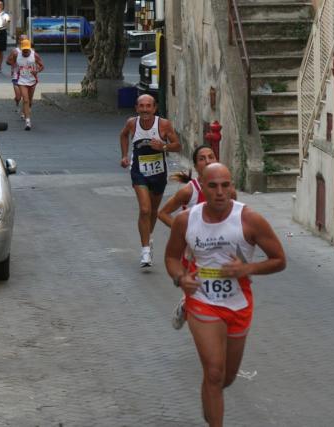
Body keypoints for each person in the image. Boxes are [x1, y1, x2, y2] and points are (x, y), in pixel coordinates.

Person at [165, 163, 286, 426]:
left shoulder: (249, 219)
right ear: (202, 187)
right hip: (202, 300)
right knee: (214, 372)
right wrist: (181, 278)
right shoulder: (187, 220)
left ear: (232, 186)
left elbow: (279, 260)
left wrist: (248, 268)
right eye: (213, 186)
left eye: (225, 185)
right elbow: (172, 257)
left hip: (238, 303)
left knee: (226, 378)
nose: (220, 192)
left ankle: (211, 402)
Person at [158, 145, 237, 329]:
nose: (208, 161)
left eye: (211, 156)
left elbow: (234, 216)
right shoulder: (189, 191)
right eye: (202, 158)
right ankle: (188, 307)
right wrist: (184, 233)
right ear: (196, 166)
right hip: (194, 252)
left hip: (220, 249)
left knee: (219, 289)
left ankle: (215, 320)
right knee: (198, 289)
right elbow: (163, 213)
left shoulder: (229, 191)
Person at [120, 94, 181, 267]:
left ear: (154, 108)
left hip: (158, 173)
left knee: (153, 210)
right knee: (145, 209)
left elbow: (178, 146)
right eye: (141, 106)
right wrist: (124, 156)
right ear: (136, 108)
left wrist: (163, 146)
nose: (145, 109)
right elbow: (123, 135)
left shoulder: (164, 124)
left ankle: (149, 236)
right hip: (139, 171)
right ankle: (145, 251)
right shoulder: (132, 123)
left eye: (148, 106)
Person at [6, 39, 44, 131]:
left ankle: (26, 113)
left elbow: (42, 66)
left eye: (27, 50)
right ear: (21, 48)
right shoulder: (17, 54)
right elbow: (10, 62)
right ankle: (28, 121)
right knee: (25, 100)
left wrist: (37, 70)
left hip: (32, 80)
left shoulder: (34, 55)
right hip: (22, 80)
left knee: (29, 101)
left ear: (29, 48)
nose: (25, 52)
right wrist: (14, 67)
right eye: (24, 50)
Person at [9, 34, 32, 118]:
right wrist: (14, 63)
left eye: (26, 40)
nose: (24, 41)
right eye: (22, 40)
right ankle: (17, 102)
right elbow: (8, 61)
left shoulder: (31, 51)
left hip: (27, 77)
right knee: (19, 96)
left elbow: (37, 62)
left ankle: (23, 112)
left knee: (26, 97)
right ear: (19, 41)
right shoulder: (15, 51)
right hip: (16, 76)